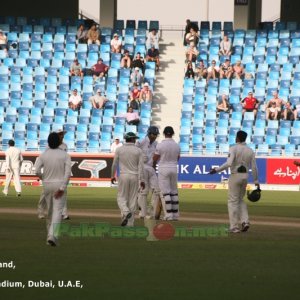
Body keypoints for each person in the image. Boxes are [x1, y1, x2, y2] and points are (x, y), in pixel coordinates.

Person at [209, 130, 259, 233]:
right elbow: (254, 167)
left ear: (237, 138)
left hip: (235, 175)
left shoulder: (233, 148)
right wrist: (256, 181)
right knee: (240, 200)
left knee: (232, 201)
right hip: (245, 176)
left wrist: (216, 170)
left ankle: (234, 227)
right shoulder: (250, 151)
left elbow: (228, 163)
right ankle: (245, 221)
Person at [35, 132, 71, 246]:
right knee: (57, 211)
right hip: (59, 184)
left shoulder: (43, 154)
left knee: (50, 212)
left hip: (47, 185)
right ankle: (52, 236)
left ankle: (50, 238)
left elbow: (36, 170)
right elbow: (67, 173)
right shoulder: (65, 155)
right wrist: (63, 187)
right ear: (59, 141)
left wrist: (43, 178)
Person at [111, 132, 145, 227]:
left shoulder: (119, 149)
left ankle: (125, 212)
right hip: (135, 176)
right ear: (133, 139)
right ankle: (129, 223)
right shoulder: (138, 151)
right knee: (132, 199)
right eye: (135, 138)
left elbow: (114, 164)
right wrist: (142, 179)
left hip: (123, 175)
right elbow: (141, 167)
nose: (135, 140)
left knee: (121, 197)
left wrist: (112, 176)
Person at [38, 130, 70, 220]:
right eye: (60, 134)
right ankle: (41, 212)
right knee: (44, 195)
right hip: (49, 174)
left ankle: (64, 213)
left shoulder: (65, 146)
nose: (62, 136)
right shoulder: (49, 146)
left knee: (63, 193)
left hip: (60, 173)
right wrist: (43, 177)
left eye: (63, 134)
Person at [153, 126, 180, 221]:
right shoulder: (177, 145)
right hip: (174, 168)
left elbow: (155, 158)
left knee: (165, 193)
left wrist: (153, 165)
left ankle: (169, 216)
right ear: (172, 134)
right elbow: (178, 158)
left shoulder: (160, 145)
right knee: (174, 192)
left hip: (163, 168)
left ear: (164, 133)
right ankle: (175, 215)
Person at [137, 126, 162, 219]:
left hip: (151, 168)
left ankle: (152, 212)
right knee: (144, 191)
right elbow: (134, 151)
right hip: (142, 167)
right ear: (148, 133)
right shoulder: (142, 141)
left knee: (157, 190)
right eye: (153, 134)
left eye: (156, 135)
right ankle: (142, 213)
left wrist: (155, 166)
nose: (154, 136)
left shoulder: (156, 143)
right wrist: (140, 157)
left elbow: (157, 155)